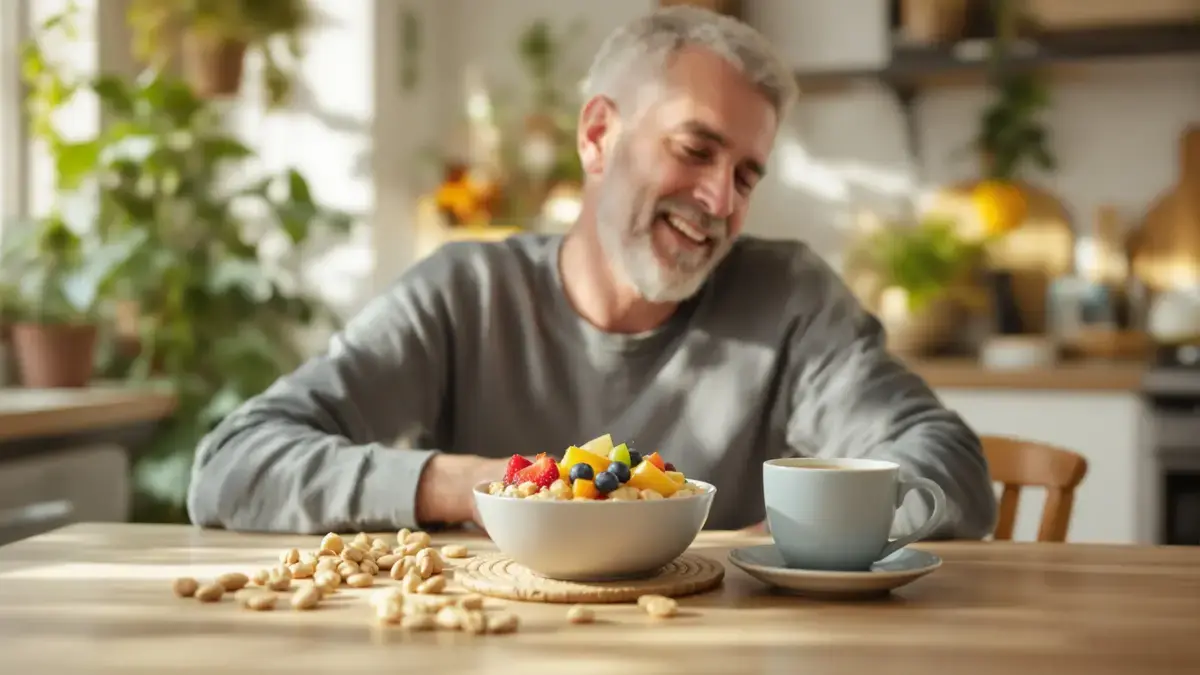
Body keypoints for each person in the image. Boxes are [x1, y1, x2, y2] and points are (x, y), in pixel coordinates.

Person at [187, 6, 997, 539]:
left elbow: (946, 462)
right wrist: (466, 485)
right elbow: (231, 464)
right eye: (695, 148)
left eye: (747, 174)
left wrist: (797, 531)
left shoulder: (789, 299)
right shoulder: (464, 294)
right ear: (599, 136)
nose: (720, 197)